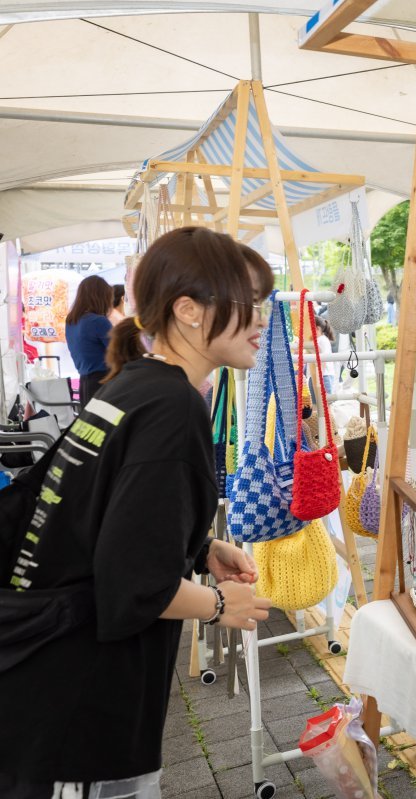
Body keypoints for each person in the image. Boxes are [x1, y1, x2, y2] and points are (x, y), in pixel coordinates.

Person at [0, 226, 273, 797]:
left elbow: (96, 507)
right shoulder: (173, 406)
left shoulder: (132, 384)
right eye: (249, 302)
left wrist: (198, 546)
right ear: (188, 310)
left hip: (41, 678)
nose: (262, 318)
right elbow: (132, 586)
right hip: (80, 702)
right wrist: (221, 604)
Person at [64, 275, 114, 406]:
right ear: (101, 297)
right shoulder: (98, 321)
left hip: (85, 382)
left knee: (90, 418)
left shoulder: (71, 321)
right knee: (107, 418)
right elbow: (119, 352)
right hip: (103, 383)